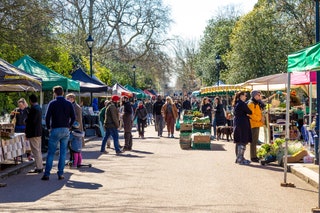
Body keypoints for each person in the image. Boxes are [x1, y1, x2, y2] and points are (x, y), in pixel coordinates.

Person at [42, 86, 75, 181]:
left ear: (54, 93)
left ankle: (47, 174)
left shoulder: (52, 103)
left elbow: (47, 117)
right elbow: (73, 117)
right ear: (63, 93)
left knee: (51, 152)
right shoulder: (68, 104)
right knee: (63, 152)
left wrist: (48, 128)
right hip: (65, 129)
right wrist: (69, 125)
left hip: (55, 129)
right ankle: (60, 173)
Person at [233, 91, 252, 165]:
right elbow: (249, 111)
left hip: (238, 123)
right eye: (245, 95)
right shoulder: (242, 104)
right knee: (242, 140)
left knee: (238, 141)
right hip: (242, 124)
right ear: (241, 96)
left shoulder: (236, 103)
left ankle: (238, 158)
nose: (246, 97)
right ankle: (240, 159)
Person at [25, 94, 43, 174]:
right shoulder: (38, 108)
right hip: (38, 132)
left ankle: (39, 167)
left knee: (35, 151)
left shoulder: (33, 109)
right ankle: (39, 166)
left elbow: (31, 121)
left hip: (33, 133)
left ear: (30, 101)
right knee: (38, 150)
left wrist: (26, 121)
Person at [247, 90, 264, 163]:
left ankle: (254, 156)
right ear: (254, 96)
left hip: (257, 123)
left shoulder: (256, 103)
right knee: (253, 141)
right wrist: (260, 118)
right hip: (253, 124)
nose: (259, 96)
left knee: (255, 141)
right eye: (258, 95)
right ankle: (253, 157)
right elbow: (251, 114)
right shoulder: (251, 103)